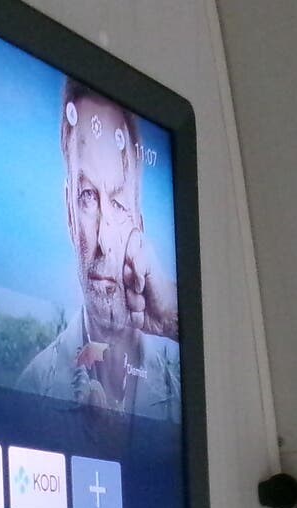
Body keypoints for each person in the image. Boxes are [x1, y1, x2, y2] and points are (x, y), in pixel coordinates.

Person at [17, 79, 182, 421]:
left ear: (140, 223)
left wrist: (171, 317)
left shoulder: (181, 401)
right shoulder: (31, 389)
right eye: (88, 197)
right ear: (69, 214)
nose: (105, 242)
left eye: (119, 204)